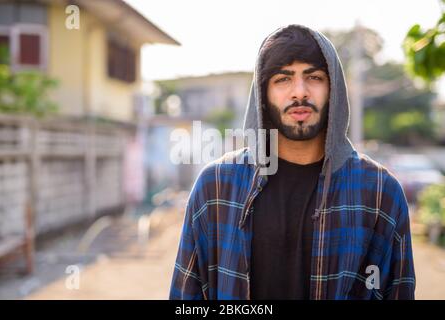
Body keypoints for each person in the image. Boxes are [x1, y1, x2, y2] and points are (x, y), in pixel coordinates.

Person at [169, 24, 415, 300]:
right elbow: (185, 297)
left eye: (314, 77)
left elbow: (399, 291)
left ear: (333, 88)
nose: (300, 92)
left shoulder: (381, 191)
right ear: (263, 94)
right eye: (283, 79)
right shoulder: (216, 186)